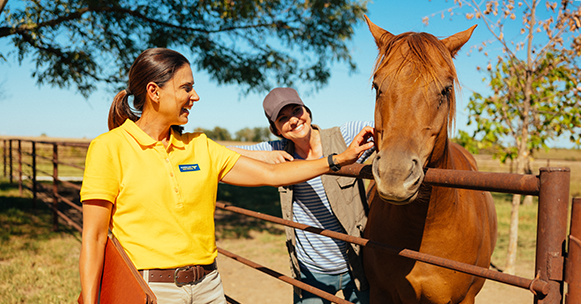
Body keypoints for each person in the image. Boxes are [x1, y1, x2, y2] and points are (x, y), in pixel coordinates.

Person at [78, 48, 374, 304]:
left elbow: (273, 174)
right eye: (186, 88)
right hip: (151, 291)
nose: (195, 96)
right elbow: (93, 238)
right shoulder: (109, 148)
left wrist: (336, 160)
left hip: (209, 287)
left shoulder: (199, 146)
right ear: (154, 92)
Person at [227, 87, 374, 304]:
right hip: (312, 271)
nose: (294, 120)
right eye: (283, 118)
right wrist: (264, 156)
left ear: (307, 110)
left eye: (297, 110)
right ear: (275, 129)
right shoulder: (278, 150)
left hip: (358, 263)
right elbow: (221, 153)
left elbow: (393, 133)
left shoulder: (347, 135)